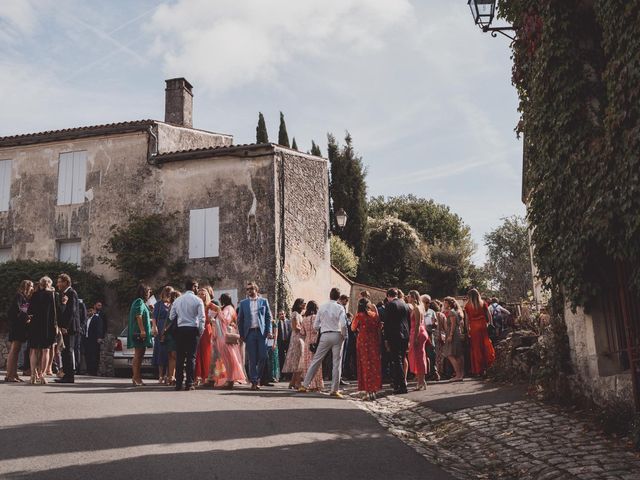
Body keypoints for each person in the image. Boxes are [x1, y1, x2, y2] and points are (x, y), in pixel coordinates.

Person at [298, 288, 348, 398]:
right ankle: (334, 390)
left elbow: (316, 326)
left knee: (316, 360)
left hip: (325, 334)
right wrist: (344, 336)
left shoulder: (323, 306)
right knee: (336, 363)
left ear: (330, 295)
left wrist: (322, 328)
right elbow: (344, 324)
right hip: (337, 334)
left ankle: (305, 385)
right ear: (338, 297)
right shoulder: (340, 307)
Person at [169, 279, 205, 391]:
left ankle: (178, 383)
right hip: (192, 329)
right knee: (191, 357)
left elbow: (171, 316)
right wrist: (200, 331)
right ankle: (189, 383)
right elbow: (202, 318)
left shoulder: (178, 300)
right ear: (193, 287)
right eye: (197, 287)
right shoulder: (198, 300)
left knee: (180, 357)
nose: (198, 289)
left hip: (180, 330)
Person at [237, 282, 273, 390]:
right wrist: (242, 335)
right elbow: (240, 320)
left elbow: (268, 318)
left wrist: (269, 331)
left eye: (251, 289)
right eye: (247, 289)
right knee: (252, 359)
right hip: (250, 333)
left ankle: (257, 378)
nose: (249, 291)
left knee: (263, 356)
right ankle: (254, 381)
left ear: (256, 289)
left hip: (262, 333)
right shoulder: (243, 303)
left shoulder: (263, 301)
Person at [209, 293, 246, 389]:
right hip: (223, 337)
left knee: (229, 360)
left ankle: (230, 380)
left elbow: (226, 319)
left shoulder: (228, 308)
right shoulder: (227, 308)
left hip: (225, 337)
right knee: (228, 360)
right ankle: (229, 379)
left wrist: (218, 310)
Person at [27, 277, 59, 385]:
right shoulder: (52, 295)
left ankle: (32, 375)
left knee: (34, 349)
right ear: (49, 284)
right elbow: (55, 312)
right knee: (46, 350)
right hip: (47, 326)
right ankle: (42, 375)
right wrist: (56, 326)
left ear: (40, 284)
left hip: (35, 325)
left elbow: (29, 311)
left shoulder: (34, 295)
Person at [351, 298, 382, 400]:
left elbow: (353, 328)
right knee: (374, 365)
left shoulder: (359, 316)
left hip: (363, 342)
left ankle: (367, 391)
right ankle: (374, 389)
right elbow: (379, 326)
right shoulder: (374, 315)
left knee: (365, 365)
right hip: (374, 341)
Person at [382, 288, 410, 394]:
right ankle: (397, 384)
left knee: (396, 360)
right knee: (401, 359)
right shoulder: (405, 304)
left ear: (388, 295)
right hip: (405, 334)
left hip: (394, 335)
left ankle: (402, 385)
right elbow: (407, 321)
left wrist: (386, 338)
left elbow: (387, 322)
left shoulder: (390, 305)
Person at [5, 280, 34, 382]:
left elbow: (22, 311)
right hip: (17, 327)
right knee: (14, 350)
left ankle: (14, 374)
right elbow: (18, 311)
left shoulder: (22, 297)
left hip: (19, 327)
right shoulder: (19, 296)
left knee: (16, 351)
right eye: (31, 287)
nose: (32, 289)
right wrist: (27, 318)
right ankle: (10, 375)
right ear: (27, 286)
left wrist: (26, 316)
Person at [464, 289, 496, 376]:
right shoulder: (482, 303)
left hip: (474, 327)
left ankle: (479, 369)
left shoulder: (467, 305)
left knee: (476, 348)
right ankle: (489, 365)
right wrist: (490, 323)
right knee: (485, 345)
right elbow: (489, 314)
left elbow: (466, 319)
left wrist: (467, 329)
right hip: (483, 325)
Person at [55, 274, 80, 384]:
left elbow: (71, 311)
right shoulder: (65, 293)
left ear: (66, 282)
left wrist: (65, 326)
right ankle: (66, 375)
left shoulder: (71, 293)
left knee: (68, 350)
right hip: (65, 326)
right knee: (64, 351)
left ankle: (69, 377)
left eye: (60, 282)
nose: (58, 284)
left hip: (69, 327)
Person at [128, 284, 153, 386]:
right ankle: (135, 377)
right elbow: (138, 316)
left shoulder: (142, 302)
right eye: (148, 292)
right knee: (138, 355)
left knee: (140, 355)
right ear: (144, 292)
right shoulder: (139, 301)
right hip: (139, 332)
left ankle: (137, 377)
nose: (149, 294)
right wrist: (142, 330)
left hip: (140, 332)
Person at [282, 298, 306, 389]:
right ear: (299, 304)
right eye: (303, 303)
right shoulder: (295, 314)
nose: (305, 305)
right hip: (297, 339)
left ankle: (292, 382)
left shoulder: (300, 314)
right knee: (298, 361)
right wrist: (305, 330)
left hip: (300, 338)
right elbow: (295, 327)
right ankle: (297, 383)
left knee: (298, 360)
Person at [152, 286, 174, 384]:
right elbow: (154, 318)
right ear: (163, 293)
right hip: (160, 330)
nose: (168, 294)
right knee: (161, 353)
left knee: (170, 353)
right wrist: (154, 327)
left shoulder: (174, 304)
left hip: (171, 330)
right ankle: (161, 375)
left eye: (170, 292)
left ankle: (169, 376)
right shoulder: (158, 304)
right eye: (166, 292)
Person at [300, 300, 323, 391]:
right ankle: (317, 384)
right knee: (317, 363)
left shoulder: (304, 319)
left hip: (307, 342)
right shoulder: (317, 318)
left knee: (308, 363)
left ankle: (309, 384)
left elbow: (302, 332)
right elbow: (320, 329)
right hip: (316, 341)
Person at [407, 290, 428, 390]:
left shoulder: (417, 309)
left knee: (419, 358)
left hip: (417, 334)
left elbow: (417, 325)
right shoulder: (420, 307)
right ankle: (421, 381)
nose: (407, 298)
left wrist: (415, 338)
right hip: (419, 333)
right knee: (419, 357)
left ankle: (421, 382)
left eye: (409, 296)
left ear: (413, 297)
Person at [161, 290, 181, 386]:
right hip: (173, 332)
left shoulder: (172, 306)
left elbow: (167, 321)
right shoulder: (176, 306)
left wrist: (163, 331)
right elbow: (170, 320)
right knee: (173, 356)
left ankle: (171, 376)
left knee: (171, 356)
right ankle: (172, 377)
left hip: (170, 333)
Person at [194, 288, 214, 386]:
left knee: (206, 353)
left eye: (203, 294)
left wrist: (212, 319)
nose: (201, 296)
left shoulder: (209, 305)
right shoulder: (196, 304)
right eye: (199, 294)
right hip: (196, 330)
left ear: (206, 295)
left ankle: (206, 376)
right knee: (197, 353)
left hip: (207, 330)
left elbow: (219, 310)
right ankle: (197, 376)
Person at [442, 296, 465, 381]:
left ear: (448, 304)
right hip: (456, 334)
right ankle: (460, 375)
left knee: (450, 354)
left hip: (453, 334)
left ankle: (458, 375)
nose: (444, 304)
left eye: (445, 302)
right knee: (457, 355)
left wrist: (450, 335)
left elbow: (453, 325)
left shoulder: (451, 312)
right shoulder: (455, 311)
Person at [84, 306, 104, 376]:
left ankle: (94, 371)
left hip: (94, 339)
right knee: (88, 355)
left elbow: (99, 328)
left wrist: (99, 337)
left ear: (94, 311)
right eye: (88, 311)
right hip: (87, 339)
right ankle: (89, 370)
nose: (89, 312)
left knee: (94, 355)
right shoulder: (87, 319)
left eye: (91, 311)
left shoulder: (97, 318)